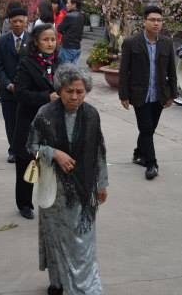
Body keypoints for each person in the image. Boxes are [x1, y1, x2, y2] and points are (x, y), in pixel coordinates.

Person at [28, 64, 107, 295]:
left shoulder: (91, 115)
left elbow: (99, 151)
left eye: (79, 92)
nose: (74, 97)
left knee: (82, 243)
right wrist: (54, 153)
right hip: (55, 190)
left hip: (83, 189)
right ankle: (59, 282)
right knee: (56, 239)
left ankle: (85, 289)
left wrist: (102, 183)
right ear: (60, 90)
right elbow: (31, 146)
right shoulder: (45, 114)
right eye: (69, 91)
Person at [118, 4, 177, 181]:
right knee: (146, 128)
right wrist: (123, 95)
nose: (156, 23)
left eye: (159, 20)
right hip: (139, 94)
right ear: (144, 21)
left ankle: (138, 152)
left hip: (159, 94)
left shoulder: (167, 43)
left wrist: (172, 94)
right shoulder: (131, 43)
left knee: (149, 129)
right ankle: (152, 163)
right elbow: (124, 71)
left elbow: (172, 70)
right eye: (152, 20)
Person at [12, 22, 59, 220]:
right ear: (36, 42)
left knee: (51, 165)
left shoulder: (60, 62)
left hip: (54, 123)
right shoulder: (27, 63)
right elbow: (20, 93)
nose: (50, 43)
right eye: (45, 40)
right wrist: (46, 97)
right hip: (30, 121)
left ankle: (51, 202)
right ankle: (24, 204)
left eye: (53, 39)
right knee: (27, 162)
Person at [0, 6, 29, 164]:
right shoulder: (2, 41)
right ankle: (13, 150)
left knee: (25, 121)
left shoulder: (33, 40)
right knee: (10, 122)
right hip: (8, 91)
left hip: (27, 91)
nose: (17, 24)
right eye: (14, 21)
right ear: (9, 22)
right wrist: (8, 84)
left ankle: (25, 148)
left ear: (26, 22)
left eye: (21, 21)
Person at [56, 0, 85, 65]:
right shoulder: (81, 16)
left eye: (68, 3)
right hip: (77, 46)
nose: (66, 5)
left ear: (74, 4)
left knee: (64, 68)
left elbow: (59, 29)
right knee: (74, 68)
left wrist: (64, 32)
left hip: (67, 47)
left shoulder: (69, 16)